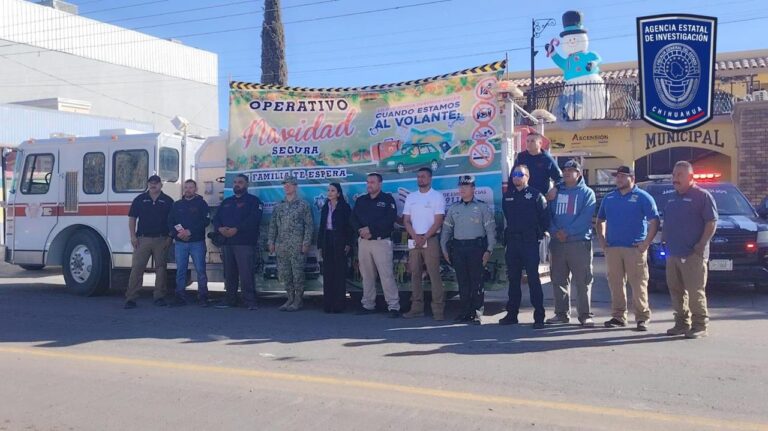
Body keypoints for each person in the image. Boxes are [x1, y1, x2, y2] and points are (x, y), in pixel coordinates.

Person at [596, 166, 659, 331]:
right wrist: (602, 241)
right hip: (613, 248)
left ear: (632, 178)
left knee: (638, 284)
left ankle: (642, 318)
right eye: (617, 177)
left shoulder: (643, 197)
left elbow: (655, 221)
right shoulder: (609, 198)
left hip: (634, 249)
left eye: (623, 176)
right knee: (615, 284)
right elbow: (600, 220)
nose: (619, 179)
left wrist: (646, 243)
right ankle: (618, 316)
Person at [663, 161, 717, 339]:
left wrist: (701, 244)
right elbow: (668, 223)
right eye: (674, 175)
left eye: (679, 175)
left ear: (690, 177)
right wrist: (664, 240)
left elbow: (711, 222)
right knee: (675, 289)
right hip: (673, 253)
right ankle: (681, 323)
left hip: (693, 254)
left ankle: (700, 325)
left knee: (695, 291)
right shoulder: (671, 197)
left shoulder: (702, 196)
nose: (675, 179)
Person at [546, 160, 597, 327]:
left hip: (579, 243)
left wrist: (567, 232)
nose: (567, 172)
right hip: (557, 243)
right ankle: (561, 314)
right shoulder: (555, 193)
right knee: (558, 279)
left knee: (583, 281)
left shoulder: (587, 193)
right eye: (565, 170)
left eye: (571, 170)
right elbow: (548, 214)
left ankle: (585, 315)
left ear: (579, 174)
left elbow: (585, 217)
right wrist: (554, 231)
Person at [440, 175, 496, 324]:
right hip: (458, 249)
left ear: (473, 189)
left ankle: (477, 312)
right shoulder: (454, 208)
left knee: (476, 282)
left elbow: (490, 230)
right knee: (462, 282)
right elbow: (446, 230)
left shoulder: (482, 207)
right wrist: (444, 248)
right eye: (460, 186)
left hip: (476, 249)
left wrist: (489, 250)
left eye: (466, 186)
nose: (462, 189)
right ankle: (464, 312)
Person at [500, 165, 549, 328]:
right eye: (514, 174)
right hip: (513, 243)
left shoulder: (535, 195)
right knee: (513, 280)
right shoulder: (508, 196)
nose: (516, 177)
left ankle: (539, 317)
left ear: (527, 176)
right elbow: (507, 216)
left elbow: (544, 219)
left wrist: (537, 235)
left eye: (520, 174)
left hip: (529, 243)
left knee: (533, 280)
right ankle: (512, 314)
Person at [350, 172, 401, 317]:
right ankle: (368, 304)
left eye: (372, 182)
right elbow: (353, 218)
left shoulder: (387, 199)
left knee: (386, 275)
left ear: (380, 184)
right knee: (367, 275)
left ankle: (393, 306)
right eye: (367, 182)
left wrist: (371, 229)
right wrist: (360, 230)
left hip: (381, 242)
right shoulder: (361, 200)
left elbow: (389, 219)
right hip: (364, 242)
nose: (369, 185)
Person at [212, 174, 263, 310]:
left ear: (246, 184)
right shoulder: (226, 202)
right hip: (227, 243)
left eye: (240, 182)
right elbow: (216, 218)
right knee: (229, 273)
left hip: (244, 243)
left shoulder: (254, 201)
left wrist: (237, 229)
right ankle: (230, 300)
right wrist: (220, 228)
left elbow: (254, 220)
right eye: (235, 182)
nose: (237, 184)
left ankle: (250, 301)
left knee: (246, 273)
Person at [124, 175, 175, 309]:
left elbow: (173, 221)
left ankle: (159, 296)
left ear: (161, 185)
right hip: (142, 239)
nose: (153, 185)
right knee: (137, 268)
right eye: (151, 183)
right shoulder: (140, 199)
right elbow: (132, 218)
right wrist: (133, 236)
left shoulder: (168, 201)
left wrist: (170, 237)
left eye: (156, 183)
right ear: (148, 184)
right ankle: (131, 298)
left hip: (161, 239)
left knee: (161, 269)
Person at [402, 167, 446, 320]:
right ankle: (416, 308)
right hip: (414, 239)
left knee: (434, 274)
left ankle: (438, 310)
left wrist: (425, 237)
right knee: (414, 274)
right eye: (418, 177)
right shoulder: (411, 197)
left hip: (431, 239)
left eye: (423, 176)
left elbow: (438, 221)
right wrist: (415, 236)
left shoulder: (437, 197)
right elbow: (406, 220)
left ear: (430, 178)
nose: (420, 179)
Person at [268, 175, 314, 312]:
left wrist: (306, 242)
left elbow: (309, 225)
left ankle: (298, 300)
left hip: (297, 245)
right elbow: (273, 226)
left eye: (289, 184)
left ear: (295, 186)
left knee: (297, 273)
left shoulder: (303, 205)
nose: (286, 186)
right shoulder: (279, 206)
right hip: (282, 245)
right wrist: (271, 241)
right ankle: (289, 298)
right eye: (285, 184)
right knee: (285, 273)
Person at [167, 179, 211, 307]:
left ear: (195, 189)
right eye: (186, 187)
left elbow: (205, 221)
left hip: (197, 242)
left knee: (200, 270)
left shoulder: (202, 204)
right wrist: (178, 234)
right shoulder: (177, 205)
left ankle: (203, 296)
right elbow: (170, 221)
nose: (188, 189)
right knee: (180, 270)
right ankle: (179, 297)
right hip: (180, 243)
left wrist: (190, 232)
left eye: (191, 187)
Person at [317, 183, 353, 313]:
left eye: (333, 190)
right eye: (328, 190)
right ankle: (328, 304)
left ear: (338, 193)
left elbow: (349, 227)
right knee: (328, 273)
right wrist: (320, 245)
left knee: (339, 273)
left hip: (340, 241)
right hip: (327, 240)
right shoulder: (325, 207)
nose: (330, 193)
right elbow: (322, 227)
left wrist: (348, 243)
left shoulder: (344, 207)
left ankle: (339, 305)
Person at [512, 132, 562, 201]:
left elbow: (559, 178)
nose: (529, 143)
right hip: (522, 196)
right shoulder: (521, 157)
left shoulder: (547, 159)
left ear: (540, 143)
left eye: (532, 141)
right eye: (527, 141)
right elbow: (513, 175)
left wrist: (555, 189)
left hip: (539, 198)